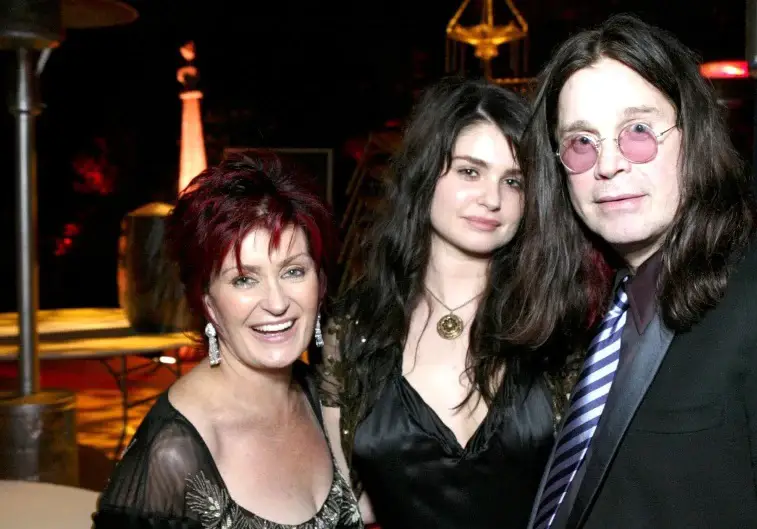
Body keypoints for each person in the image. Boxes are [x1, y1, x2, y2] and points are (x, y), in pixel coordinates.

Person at [521, 13, 757, 529]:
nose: (608, 164)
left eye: (637, 130)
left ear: (693, 135)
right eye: (582, 142)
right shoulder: (590, 310)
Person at [319, 78, 588, 529]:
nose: (491, 198)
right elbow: (342, 502)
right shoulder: (355, 328)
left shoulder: (556, 323)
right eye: (469, 171)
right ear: (425, 174)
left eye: (513, 181)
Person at [93, 153, 362, 529]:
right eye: (244, 279)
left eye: (294, 271)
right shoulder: (172, 454)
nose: (277, 302)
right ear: (209, 303)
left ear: (320, 284)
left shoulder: (324, 399)